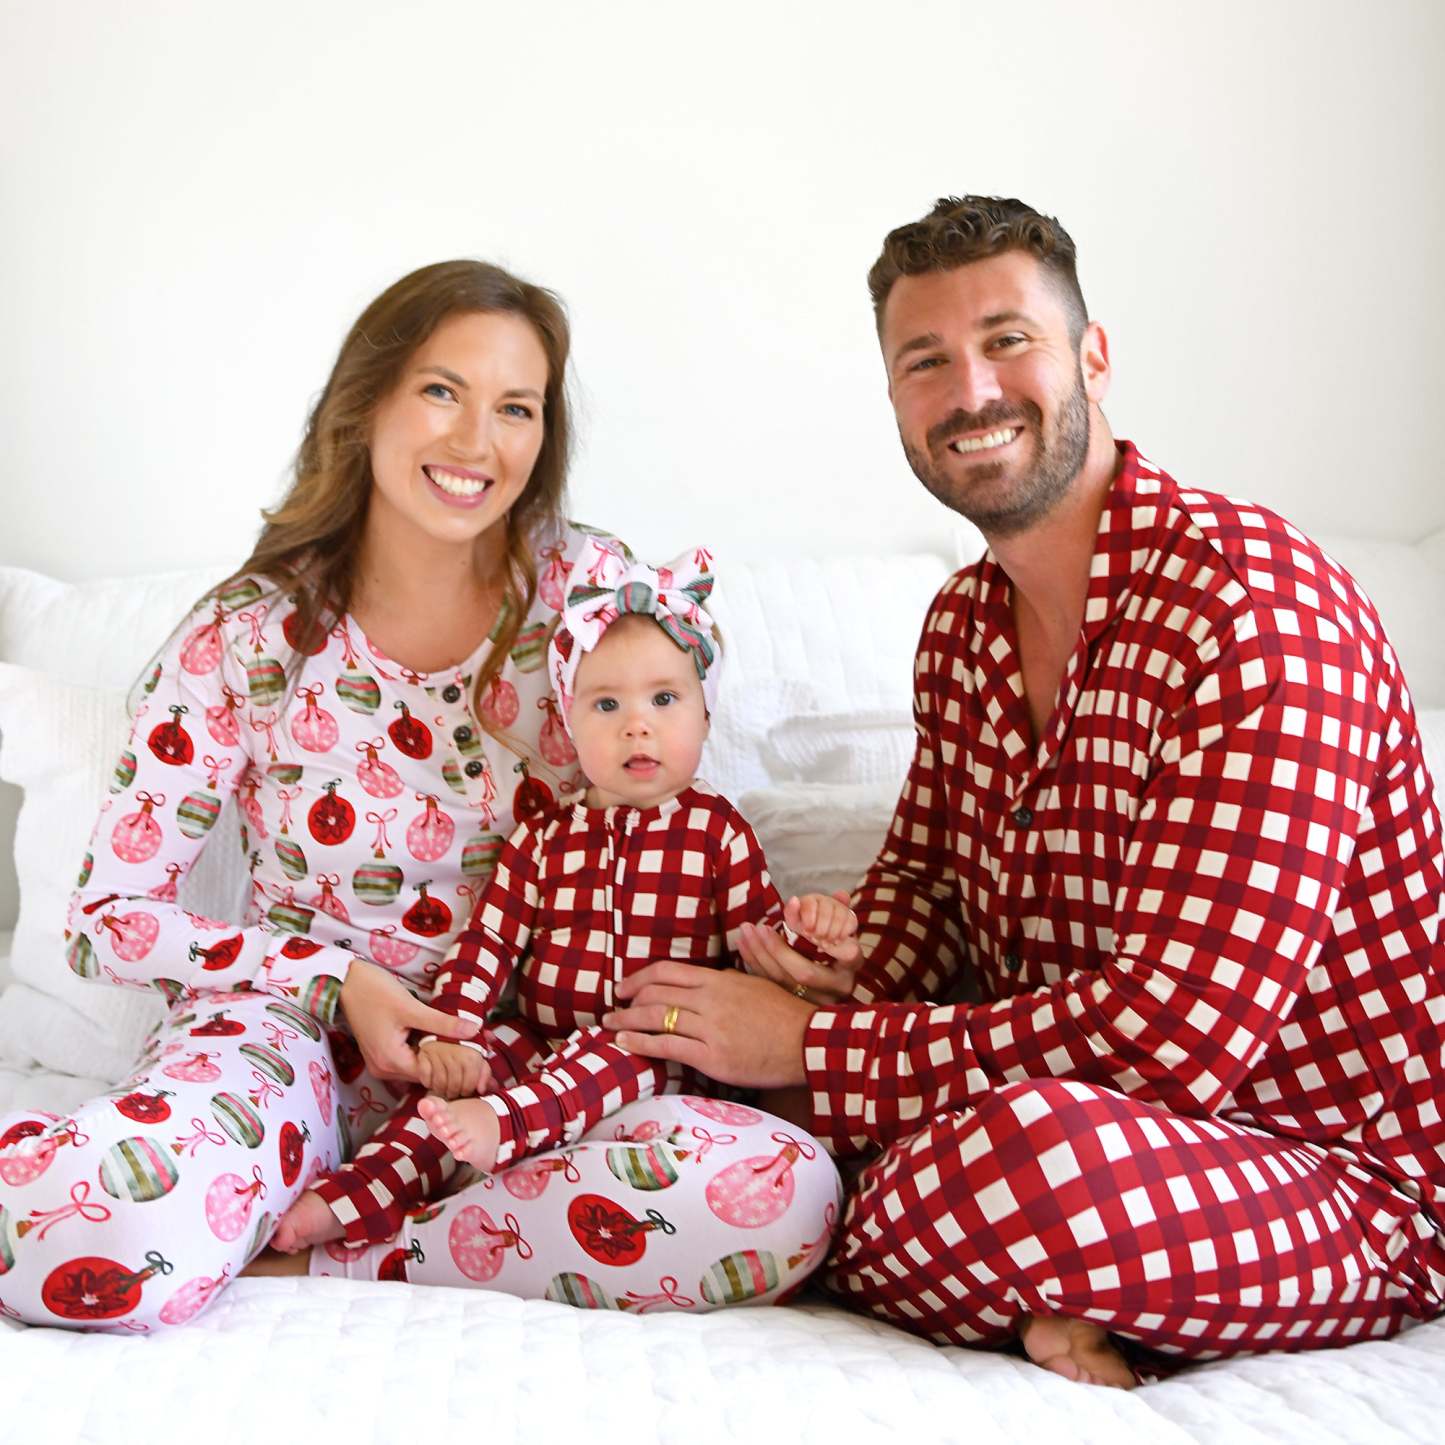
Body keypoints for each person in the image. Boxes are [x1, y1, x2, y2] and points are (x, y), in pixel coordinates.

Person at [603, 196, 1445, 1388]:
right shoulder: (959, 628)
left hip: (1335, 1173)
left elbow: (1173, 1036)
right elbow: (926, 887)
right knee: (735, 1110)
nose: (971, 391)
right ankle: (1033, 1288)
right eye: (925, 361)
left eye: (1006, 341)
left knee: (1024, 1155)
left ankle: (909, 1232)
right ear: (893, 399)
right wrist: (833, 955)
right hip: (1055, 1116)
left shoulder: (1255, 608)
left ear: (1091, 357)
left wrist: (814, 1046)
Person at [0, 260, 840, 1329]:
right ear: (366, 405)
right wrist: (333, 977)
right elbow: (106, 920)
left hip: (526, 1081)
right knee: (78, 1230)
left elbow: (667, 813)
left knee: (784, 1194)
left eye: (516, 407)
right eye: (443, 391)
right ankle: (258, 1200)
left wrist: (779, 954)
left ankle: (338, 1254)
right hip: (286, 1046)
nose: (477, 441)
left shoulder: (590, 598)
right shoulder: (248, 633)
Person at [270, 540, 855, 1254]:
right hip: (541, 1039)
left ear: (705, 716)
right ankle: (349, 1198)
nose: (636, 724)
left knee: (617, 1050)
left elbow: (758, 951)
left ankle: (503, 1127)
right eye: (606, 703)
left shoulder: (716, 832)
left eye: (664, 699)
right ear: (570, 724)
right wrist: (450, 1033)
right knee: (457, 1084)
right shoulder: (545, 838)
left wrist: (807, 934)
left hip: (664, 1047)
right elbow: (488, 944)